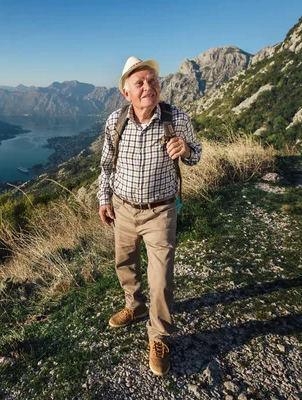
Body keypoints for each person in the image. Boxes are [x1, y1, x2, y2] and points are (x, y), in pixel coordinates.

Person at [97, 56, 202, 376]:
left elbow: (197, 155)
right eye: (139, 82)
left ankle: (158, 336)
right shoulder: (116, 121)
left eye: (153, 81)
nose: (148, 87)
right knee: (124, 263)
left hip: (161, 210)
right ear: (126, 92)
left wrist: (186, 150)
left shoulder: (176, 118)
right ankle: (134, 306)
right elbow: (106, 166)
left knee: (161, 278)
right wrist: (104, 198)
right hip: (124, 207)